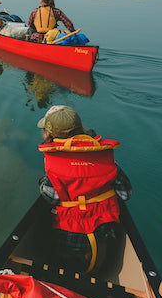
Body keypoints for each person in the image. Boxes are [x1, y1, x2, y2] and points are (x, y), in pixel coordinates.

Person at [36, 105, 131, 274]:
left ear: (49, 134)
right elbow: (125, 194)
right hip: (101, 230)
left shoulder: (54, 166)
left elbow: (51, 197)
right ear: (81, 128)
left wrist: (43, 182)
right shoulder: (106, 159)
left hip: (68, 235)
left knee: (57, 254)